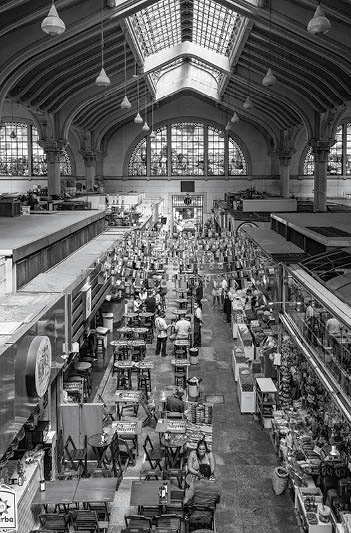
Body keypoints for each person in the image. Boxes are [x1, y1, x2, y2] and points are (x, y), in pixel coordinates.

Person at [184, 463, 220, 530]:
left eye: (199, 473)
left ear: (202, 475)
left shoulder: (194, 485)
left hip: (194, 514)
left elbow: (185, 502)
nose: (198, 474)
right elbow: (217, 501)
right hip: (209, 515)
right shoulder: (216, 487)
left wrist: (187, 492)